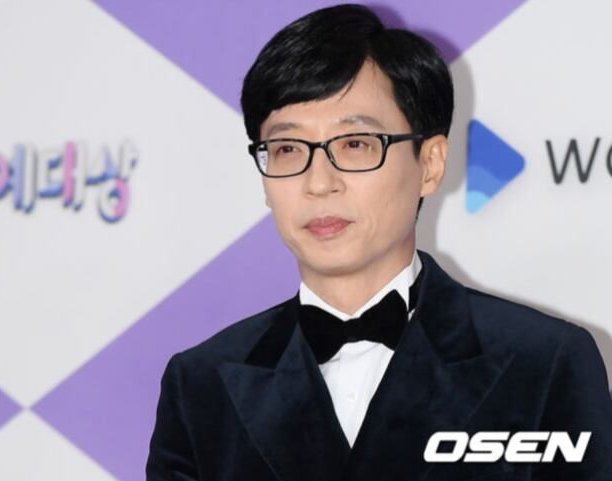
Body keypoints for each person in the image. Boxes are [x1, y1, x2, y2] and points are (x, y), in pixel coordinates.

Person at [146, 4, 612, 480]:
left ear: (429, 164)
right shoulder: (201, 382)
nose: (319, 183)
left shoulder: (544, 362)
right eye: (287, 149)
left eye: (355, 144)